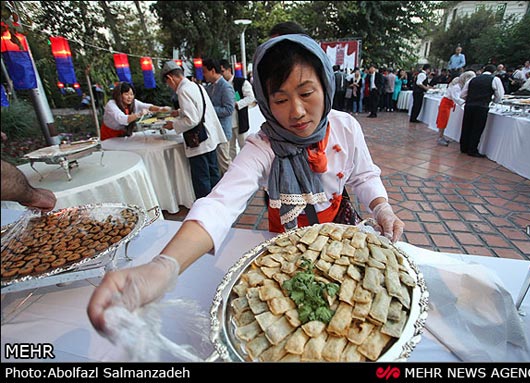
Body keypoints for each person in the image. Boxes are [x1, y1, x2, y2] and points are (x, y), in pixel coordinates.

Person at [87, 34, 404, 334]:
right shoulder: (264, 144)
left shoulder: (346, 127)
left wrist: (382, 207)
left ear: (326, 84)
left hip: (338, 231)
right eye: (280, 99)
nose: (296, 112)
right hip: (287, 240)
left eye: (306, 93)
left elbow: (363, 175)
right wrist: (163, 266)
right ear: (266, 102)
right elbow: (220, 203)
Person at [161, 61, 227, 199]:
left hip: (199, 141)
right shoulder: (195, 85)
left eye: (167, 83)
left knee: (201, 178)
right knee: (213, 174)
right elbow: (200, 108)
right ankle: (217, 204)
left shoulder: (183, 91)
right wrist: (179, 112)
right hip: (209, 137)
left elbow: (191, 120)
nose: (170, 86)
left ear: (170, 78)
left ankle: (205, 210)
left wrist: (173, 125)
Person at [460, 64, 504, 158]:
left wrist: (471, 98)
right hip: (482, 106)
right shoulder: (495, 79)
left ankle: (463, 147)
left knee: (466, 126)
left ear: (483, 70)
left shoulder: (473, 79)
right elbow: (499, 95)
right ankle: (472, 149)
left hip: (469, 105)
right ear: (494, 71)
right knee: (477, 128)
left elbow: (463, 94)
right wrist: (494, 101)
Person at [100, 82, 171, 140]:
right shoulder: (111, 104)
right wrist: (139, 114)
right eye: (126, 94)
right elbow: (122, 119)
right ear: (119, 95)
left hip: (124, 134)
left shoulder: (133, 102)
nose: (130, 97)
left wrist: (161, 109)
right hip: (109, 136)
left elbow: (147, 106)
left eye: (131, 94)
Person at [202, 59, 235, 176]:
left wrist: (210, 110)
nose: (203, 74)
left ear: (212, 71)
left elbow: (229, 109)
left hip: (222, 131)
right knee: (218, 164)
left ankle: (235, 185)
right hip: (213, 132)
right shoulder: (210, 87)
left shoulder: (225, 87)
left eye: (205, 71)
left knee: (225, 163)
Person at [219, 59, 256, 160]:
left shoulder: (241, 82)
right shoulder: (219, 86)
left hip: (239, 119)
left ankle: (247, 166)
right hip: (227, 122)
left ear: (229, 70)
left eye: (222, 71)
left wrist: (237, 104)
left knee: (243, 145)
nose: (221, 75)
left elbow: (250, 97)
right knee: (230, 148)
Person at [434, 71, 476, 146]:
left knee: (444, 120)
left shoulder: (459, 84)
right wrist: (464, 102)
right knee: (442, 121)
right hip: (446, 103)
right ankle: (440, 137)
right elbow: (456, 98)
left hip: (448, 103)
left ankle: (441, 136)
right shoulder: (456, 86)